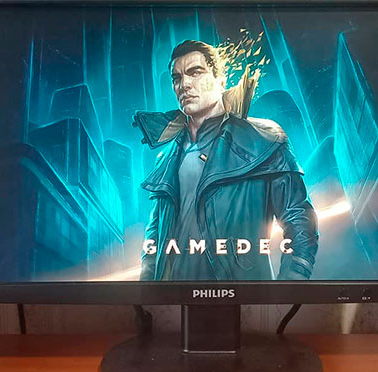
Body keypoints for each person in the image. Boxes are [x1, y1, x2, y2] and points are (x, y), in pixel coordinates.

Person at [134, 39, 318, 281]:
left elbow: (298, 217)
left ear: (221, 81)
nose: (184, 84)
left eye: (195, 72)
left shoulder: (264, 139)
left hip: (245, 294)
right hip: (175, 296)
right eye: (177, 78)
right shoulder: (166, 158)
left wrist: (292, 281)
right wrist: (147, 289)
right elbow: (154, 238)